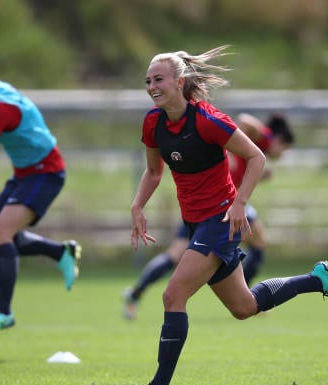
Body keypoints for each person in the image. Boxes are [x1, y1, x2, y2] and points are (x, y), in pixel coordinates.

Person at [121, 45, 328, 385]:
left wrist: (240, 203)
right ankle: (317, 279)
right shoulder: (153, 123)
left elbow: (256, 156)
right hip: (196, 223)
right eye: (148, 80)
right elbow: (154, 171)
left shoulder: (207, 120)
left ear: (180, 82)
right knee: (244, 308)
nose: (152, 86)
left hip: (219, 220)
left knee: (173, 295)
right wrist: (138, 205)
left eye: (159, 79)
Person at [122, 112, 294, 320]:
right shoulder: (262, 139)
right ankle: (248, 296)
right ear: (279, 140)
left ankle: (135, 293)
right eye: (284, 150)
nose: (281, 155)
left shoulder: (248, 152)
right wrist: (236, 152)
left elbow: (242, 172)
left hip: (203, 204)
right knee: (259, 242)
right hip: (217, 205)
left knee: (174, 255)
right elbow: (245, 120)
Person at [0, 79, 81, 333]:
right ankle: (61, 252)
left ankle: (4, 312)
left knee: (0, 235)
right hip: (24, 173)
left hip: (46, 173)